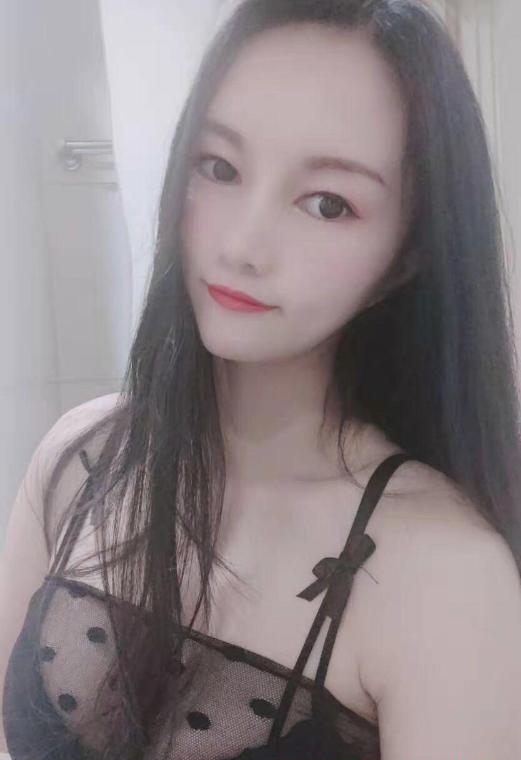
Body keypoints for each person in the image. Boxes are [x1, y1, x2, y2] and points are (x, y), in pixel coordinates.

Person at [2, 0, 521, 758]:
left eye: (327, 204)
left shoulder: (445, 574)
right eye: (219, 167)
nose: (243, 243)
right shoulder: (79, 461)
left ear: (405, 257)